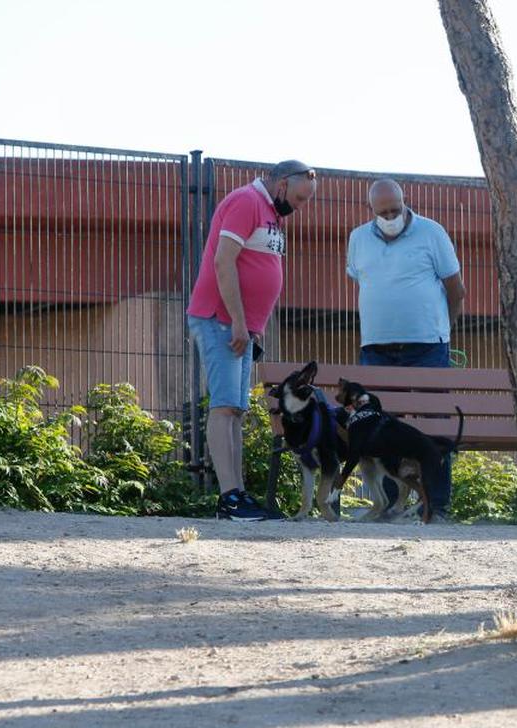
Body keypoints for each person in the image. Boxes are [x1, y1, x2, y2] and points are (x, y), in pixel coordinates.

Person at [187, 160, 317, 520]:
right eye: (299, 198)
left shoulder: (270, 212)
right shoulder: (246, 202)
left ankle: (238, 495)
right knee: (224, 407)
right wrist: (240, 323)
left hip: (241, 325)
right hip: (221, 319)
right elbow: (223, 262)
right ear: (281, 185)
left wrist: (250, 325)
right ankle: (230, 498)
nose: (300, 206)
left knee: (236, 411)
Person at [346, 178, 466, 520]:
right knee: (377, 429)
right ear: (371, 210)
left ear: (405, 202)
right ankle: (388, 505)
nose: (389, 216)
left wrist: (443, 327)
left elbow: (456, 289)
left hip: (427, 346)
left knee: (434, 425)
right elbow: (364, 280)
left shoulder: (432, 233)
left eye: (394, 210)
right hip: (375, 346)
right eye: (382, 212)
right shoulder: (358, 238)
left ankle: (437, 505)